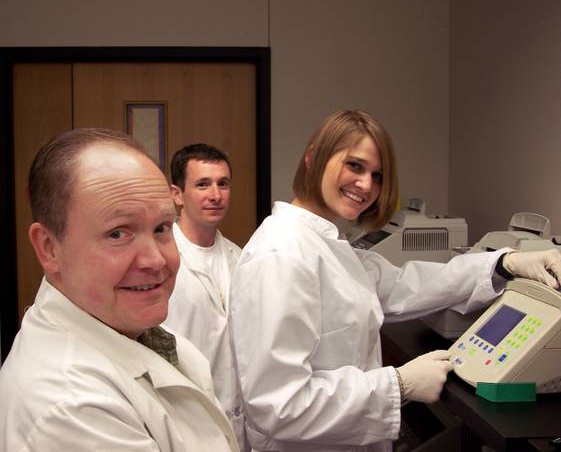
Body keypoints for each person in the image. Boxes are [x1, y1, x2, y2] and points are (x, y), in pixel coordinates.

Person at [229, 110, 561, 452]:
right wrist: (397, 385)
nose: (367, 186)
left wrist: (504, 262)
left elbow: (408, 284)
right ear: (313, 157)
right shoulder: (280, 255)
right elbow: (278, 405)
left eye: (378, 175)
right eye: (355, 166)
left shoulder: (326, 244)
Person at [0, 128, 239, 452]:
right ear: (49, 248)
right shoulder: (72, 406)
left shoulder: (136, 331)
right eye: (117, 234)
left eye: (161, 228)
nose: (156, 260)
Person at [162, 143, 248, 451]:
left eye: (222, 184)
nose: (215, 195)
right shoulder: (158, 262)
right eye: (202, 184)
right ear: (176, 194)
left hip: (239, 421)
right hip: (182, 420)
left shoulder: (242, 259)